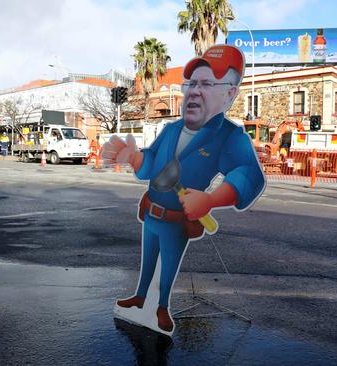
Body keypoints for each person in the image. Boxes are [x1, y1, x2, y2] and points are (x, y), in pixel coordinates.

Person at [102, 44, 266, 334]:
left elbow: (249, 174)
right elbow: (153, 161)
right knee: (148, 259)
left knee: (169, 266)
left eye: (206, 83)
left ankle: (162, 307)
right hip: (151, 212)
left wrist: (211, 199)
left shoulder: (229, 136)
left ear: (229, 93)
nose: (194, 91)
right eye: (191, 83)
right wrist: (136, 157)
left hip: (178, 220)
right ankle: (140, 298)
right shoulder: (171, 129)